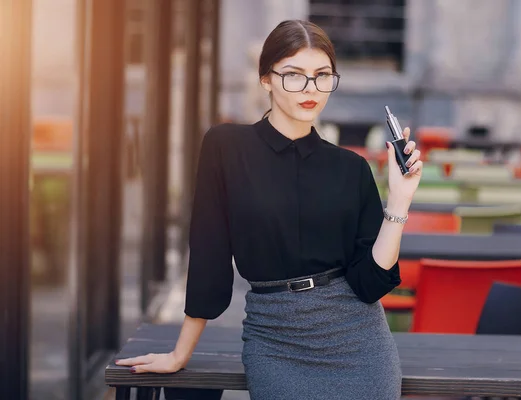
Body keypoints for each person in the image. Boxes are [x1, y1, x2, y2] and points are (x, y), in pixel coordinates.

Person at [116, 19, 423, 399]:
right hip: (275, 340)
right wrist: (181, 353)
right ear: (266, 78)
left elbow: (371, 283)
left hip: (358, 344)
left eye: (322, 75)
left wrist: (400, 199)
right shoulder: (226, 147)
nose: (310, 89)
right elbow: (210, 258)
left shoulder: (351, 168)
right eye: (294, 75)